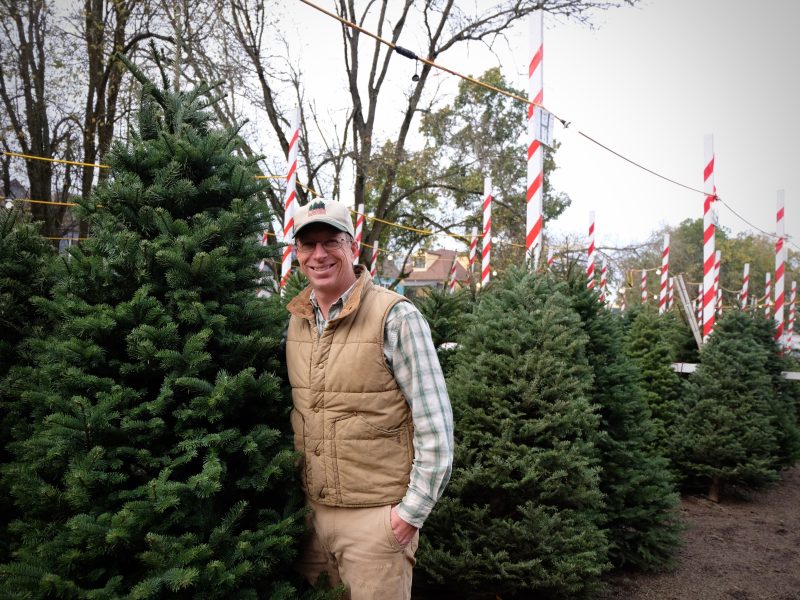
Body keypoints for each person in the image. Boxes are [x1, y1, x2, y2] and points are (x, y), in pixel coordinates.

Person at [284, 197, 454, 600]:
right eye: (309, 245)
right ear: (297, 254)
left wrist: (407, 517)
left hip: (376, 525)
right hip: (311, 521)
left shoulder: (396, 317)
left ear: (353, 247)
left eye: (332, 242)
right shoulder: (297, 320)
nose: (319, 254)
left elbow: (437, 429)